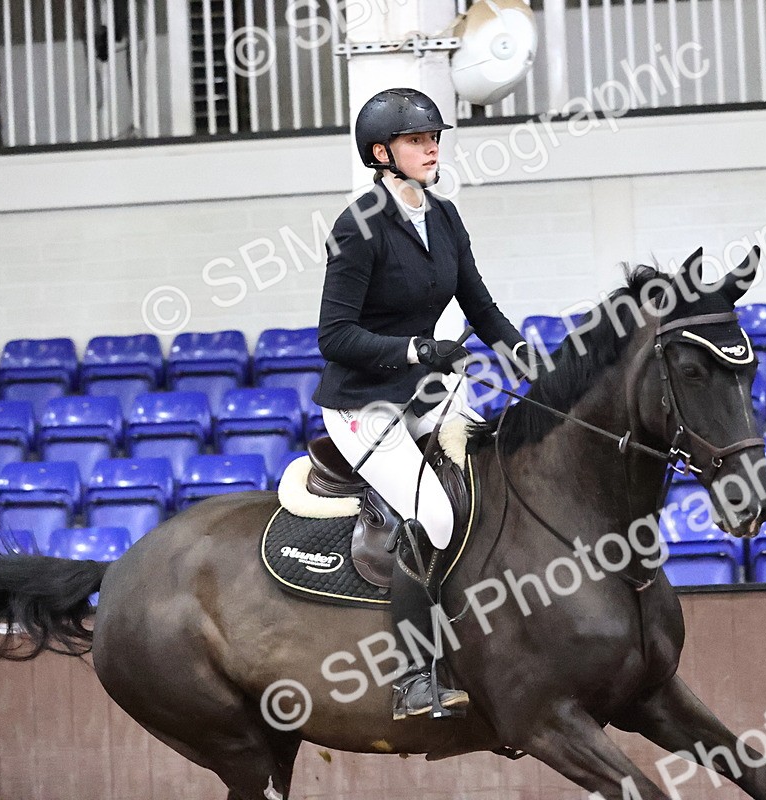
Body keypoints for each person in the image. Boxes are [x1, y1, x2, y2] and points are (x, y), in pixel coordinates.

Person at [311, 87, 537, 721]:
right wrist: (415, 350)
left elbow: (481, 307)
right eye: (417, 140)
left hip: (426, 388)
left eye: (434, 137)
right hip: (364, 404)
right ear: (382, 153)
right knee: (434, 518)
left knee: (493, 481)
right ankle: (413, 677)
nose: (431, 146)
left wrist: (527, 359)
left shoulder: (444, 216)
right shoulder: (357, 227)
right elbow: (333, 336)